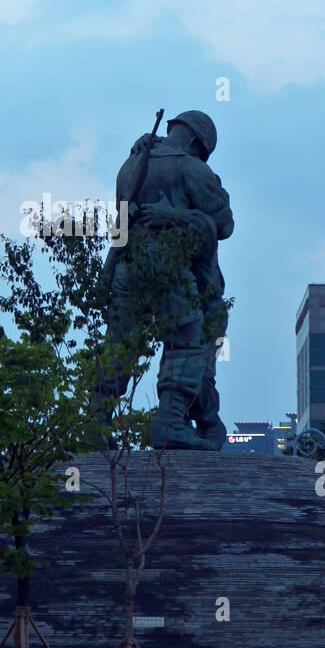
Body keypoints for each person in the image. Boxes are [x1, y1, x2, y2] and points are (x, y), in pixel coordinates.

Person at [97, 110, 233, 450]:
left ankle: (95, 421)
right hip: (172, 268)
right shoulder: (194, 169)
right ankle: (170, 422)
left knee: (119, 344)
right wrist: (182, 217)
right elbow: (224, 226)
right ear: (195, 141)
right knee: (187, 340)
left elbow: (123, 221)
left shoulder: (129, 166)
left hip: (128, 269)